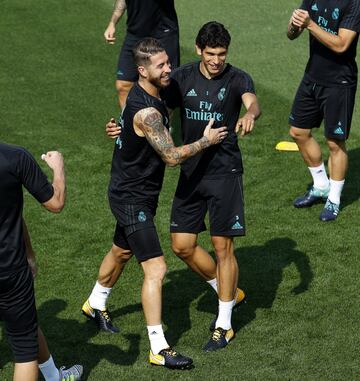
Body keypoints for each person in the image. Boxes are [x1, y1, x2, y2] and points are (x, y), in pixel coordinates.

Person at [105, 21, 261, 352]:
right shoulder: (182, 78)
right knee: (182, 245)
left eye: (222, 54)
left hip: (224, 173)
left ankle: (224, 324)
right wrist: (123, 128)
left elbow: (252, 101)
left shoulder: (237, 78)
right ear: (199, 50)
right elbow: (153, 109)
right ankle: (227, 291)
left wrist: (250, 114)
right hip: (191, 171)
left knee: (223, 248)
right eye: (211, 53)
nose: (217, 60)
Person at [82, 38, 227, 368]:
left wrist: (119, 128)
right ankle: (158, 347)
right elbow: (172, 156)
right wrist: (206, 140)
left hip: (135, 190)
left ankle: (95, 303)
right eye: (161, 65)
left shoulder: (146, 93)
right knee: (157, 268)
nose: (168, 69)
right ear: (142, 70)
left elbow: (128, 126)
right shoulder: (148, 112)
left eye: (168, 62)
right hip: (131, 197)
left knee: (122, 249)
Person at [0, 144, 83, 381]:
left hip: (13, 268)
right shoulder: (14, 158)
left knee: (26, 325)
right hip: (9, 272)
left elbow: (14, 215)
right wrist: (58, 168)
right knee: (25, 351)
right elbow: (55, 202)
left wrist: (30, 254)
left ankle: (53, 376)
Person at [287, 1, 360, 221]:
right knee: (298, 131)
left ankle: (334, 200)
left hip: (339, 82)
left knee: (334, 142)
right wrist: (294, 25)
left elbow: (341, 45)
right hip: (312, 76)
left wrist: (310, 24)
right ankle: (320, 185)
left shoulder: (354, 3)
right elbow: (291, 34)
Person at [104, 0, 180, 108]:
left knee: (167, 86)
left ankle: (162, 124)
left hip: (163, 32)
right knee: (123, 85)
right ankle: (130, 122)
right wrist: (112, 23)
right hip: (135, 33)